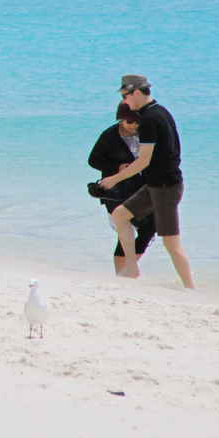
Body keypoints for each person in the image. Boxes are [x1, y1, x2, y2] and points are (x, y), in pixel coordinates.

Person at [100, 74, 193, 289]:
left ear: (136, 92)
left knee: (171, 242)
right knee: (120, 215)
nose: (124, 101)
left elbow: (143, 161)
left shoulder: (151, 119)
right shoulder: (160, 112)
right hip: (156, 185)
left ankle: (190, 288)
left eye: (125, 95)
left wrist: (113, 179)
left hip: (166, 187)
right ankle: (131, 267)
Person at [88, 103, 155, 275]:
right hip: (114, 191)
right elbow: (93, 160)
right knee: (125, 231)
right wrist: (117, 167)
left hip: (137, 187)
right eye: (129, 122)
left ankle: (127, 269)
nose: (133, 126)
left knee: (151, 226)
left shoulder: (142, 133)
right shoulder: (110, 135)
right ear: (121, 119)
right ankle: (124, 272)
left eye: (137, 122)